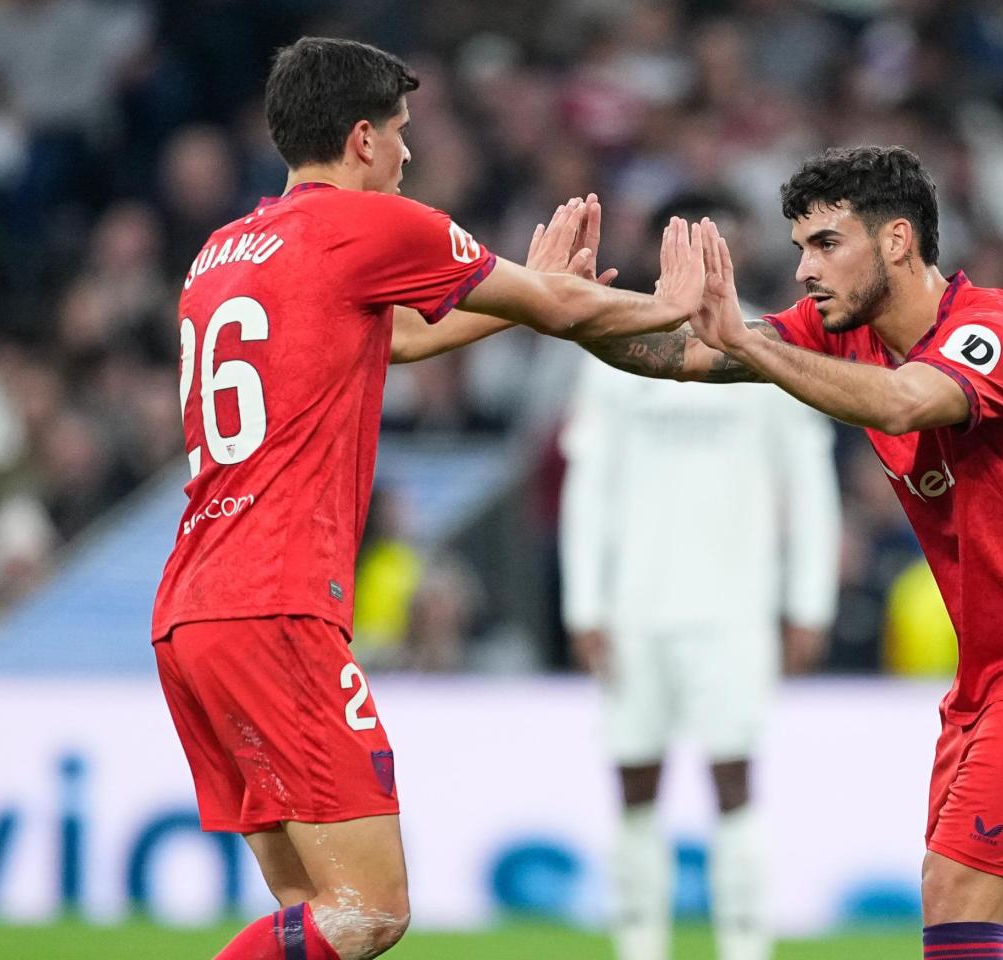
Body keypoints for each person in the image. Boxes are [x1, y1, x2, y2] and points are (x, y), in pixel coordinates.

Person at [150, 37, 706, 960]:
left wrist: (539, 295)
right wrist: (672, 302)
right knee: (369, 910)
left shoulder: (223, 251)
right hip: (276, 604)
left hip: (195, 609)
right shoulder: (371, 226)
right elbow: (562, 312)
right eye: (403, 134)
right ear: (363, 138)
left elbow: (392, 341)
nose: (410, 155)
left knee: (311, 915)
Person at [582, 146, 1003, 960]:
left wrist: (751, 347)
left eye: (825, 244)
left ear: (895, 241)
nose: (805, 271)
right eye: (798, 250)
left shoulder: (996, 330)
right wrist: (564, 310)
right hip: (996, 665)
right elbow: (687, 357)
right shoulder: (837, 332)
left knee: (954, 890)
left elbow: (900, 406)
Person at [560, 196, 840, 960]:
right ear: (664, 248)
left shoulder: (768, 345)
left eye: (722, 239)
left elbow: (808, 482)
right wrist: (585, 602)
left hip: (735, 606)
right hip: (634, 607)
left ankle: (745, 947)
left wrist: (807, 600)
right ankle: (639, 944)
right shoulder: (618, 346)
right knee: (636, 785)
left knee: (734, 781)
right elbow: (590, 484)